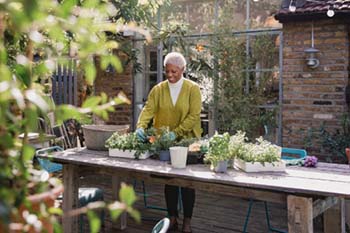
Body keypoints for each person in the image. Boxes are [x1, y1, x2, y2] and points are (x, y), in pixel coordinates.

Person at [136, 51, 202, 233]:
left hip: (188, 143)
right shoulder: (158, 90)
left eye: (175, 71)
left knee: (187, 183)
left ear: (183, 70)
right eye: (168, 71)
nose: (171, 75)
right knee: (170, 182)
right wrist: (140, 126)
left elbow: (194, 115)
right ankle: (172, 217)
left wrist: (176, 133)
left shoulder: (192, 89)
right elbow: (148, 110)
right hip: (164, 144)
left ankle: (187, 221)